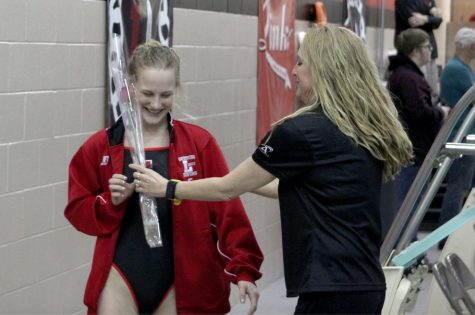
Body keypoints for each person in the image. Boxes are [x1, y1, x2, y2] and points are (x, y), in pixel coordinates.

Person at [129, 25, 414, 315]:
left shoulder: (301, 132)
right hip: (364, 282)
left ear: (324, 70)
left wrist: (167, 187)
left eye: (301, 62)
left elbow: (227, 189)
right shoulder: (357, 128)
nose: (293, 71)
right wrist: (232, 180)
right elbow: (301, 191)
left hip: (332, 287)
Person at [64, 39, 263, 315]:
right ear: (131, 86)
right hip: (121, 274)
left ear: (176, 89)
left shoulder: (198, 143)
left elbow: (227, 210)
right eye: (147, 93)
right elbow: (76, 209)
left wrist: (244, 269)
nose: (156, 104)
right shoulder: (102, 146)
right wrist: (110, 202)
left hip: (183, 278)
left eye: (165, 95)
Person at [387, 28, 450, 217]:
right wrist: (441, 112)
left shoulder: (405, 74)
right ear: (415, 51)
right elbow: (419, 112)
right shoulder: (409, 78)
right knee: (408, 208)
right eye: (427, 46)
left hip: (412, 148)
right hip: (414, 150)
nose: (431, 50)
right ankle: (405, 246)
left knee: (407, 206)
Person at [438, 27, 475, 249]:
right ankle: (446, 238)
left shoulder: (461, 68)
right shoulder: (457, 70)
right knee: (457, 190)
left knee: (460, 189)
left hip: (465, 135)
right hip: (462, 137)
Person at [395, 0, 443, 95]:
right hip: (413, 53)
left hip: (429, 52)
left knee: (432, 92)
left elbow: (439, 20)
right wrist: (430, 16)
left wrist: (425, 18)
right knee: (419, 92)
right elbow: (413, 20)